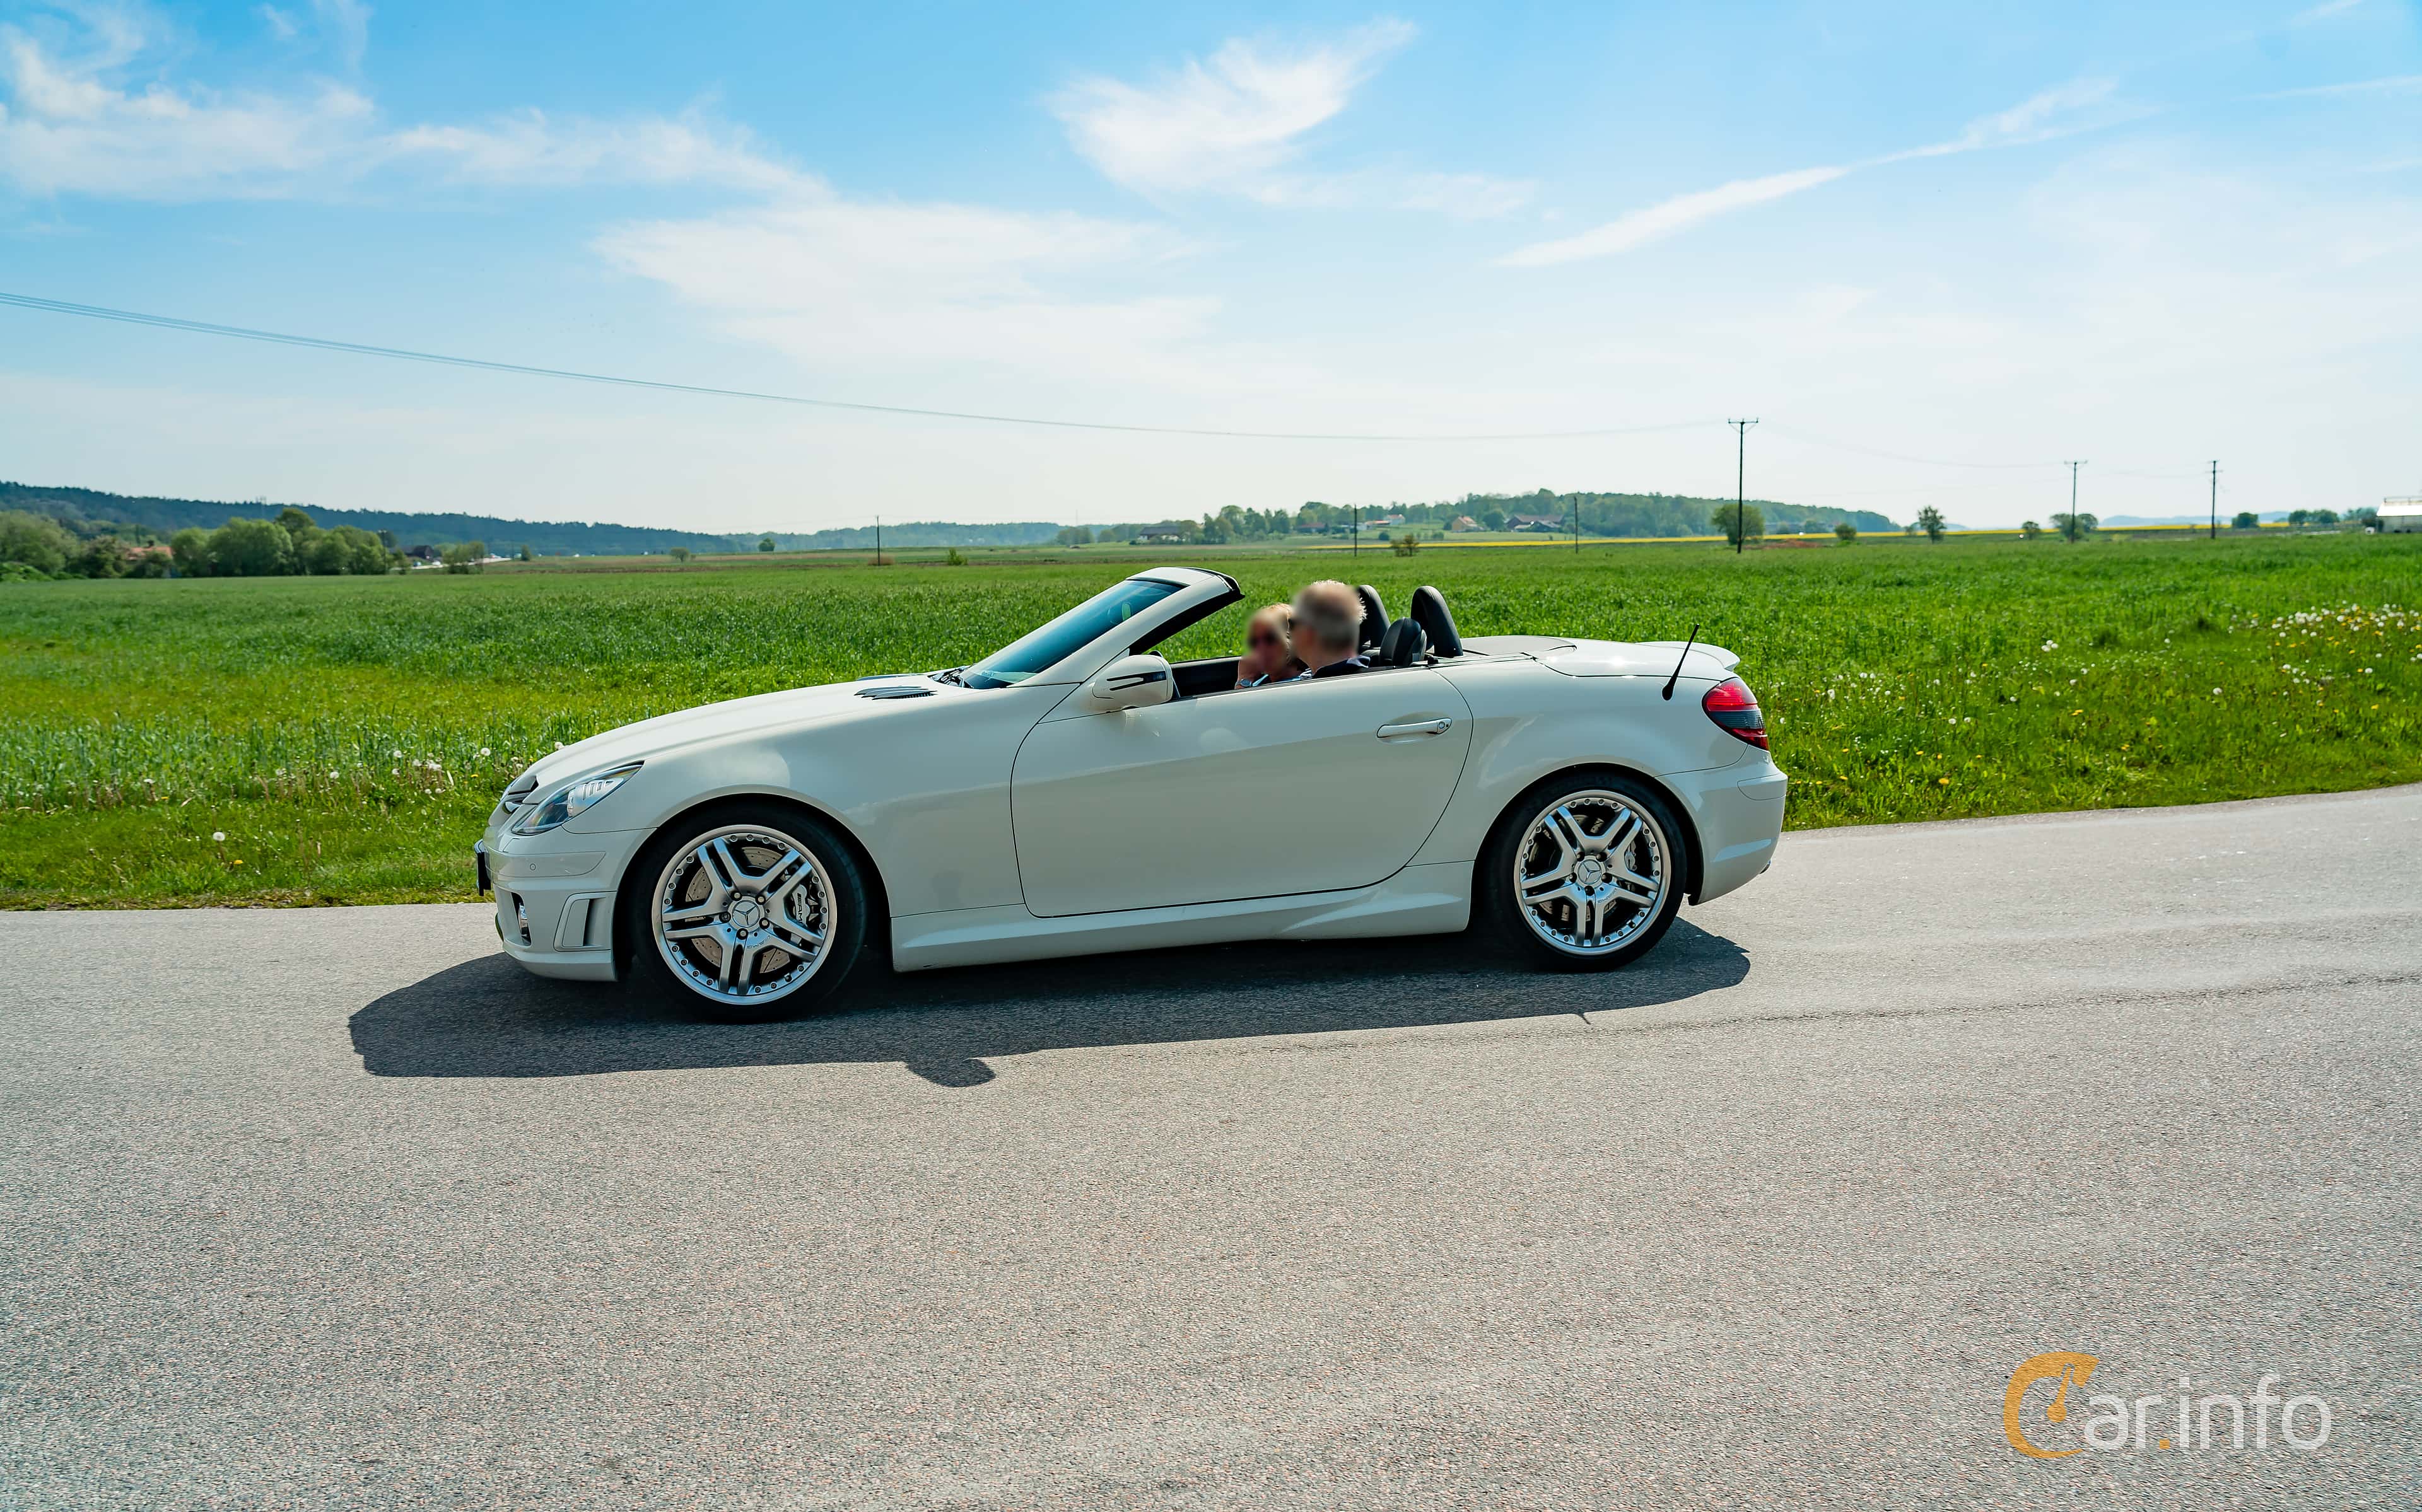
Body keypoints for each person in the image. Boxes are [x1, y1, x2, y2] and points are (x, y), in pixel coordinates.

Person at [1290, 579, 1369, 678]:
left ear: (1308, 633)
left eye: (1292, 623)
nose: (1289, 632)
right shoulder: (1370, 681)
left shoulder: (1327, 684)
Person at [1234, 603, 1308, 688]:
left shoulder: (1299, 686)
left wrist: (1244, 680)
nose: (1260, 648)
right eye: (1254, 642)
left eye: (1270, 639)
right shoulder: (1266, 680)